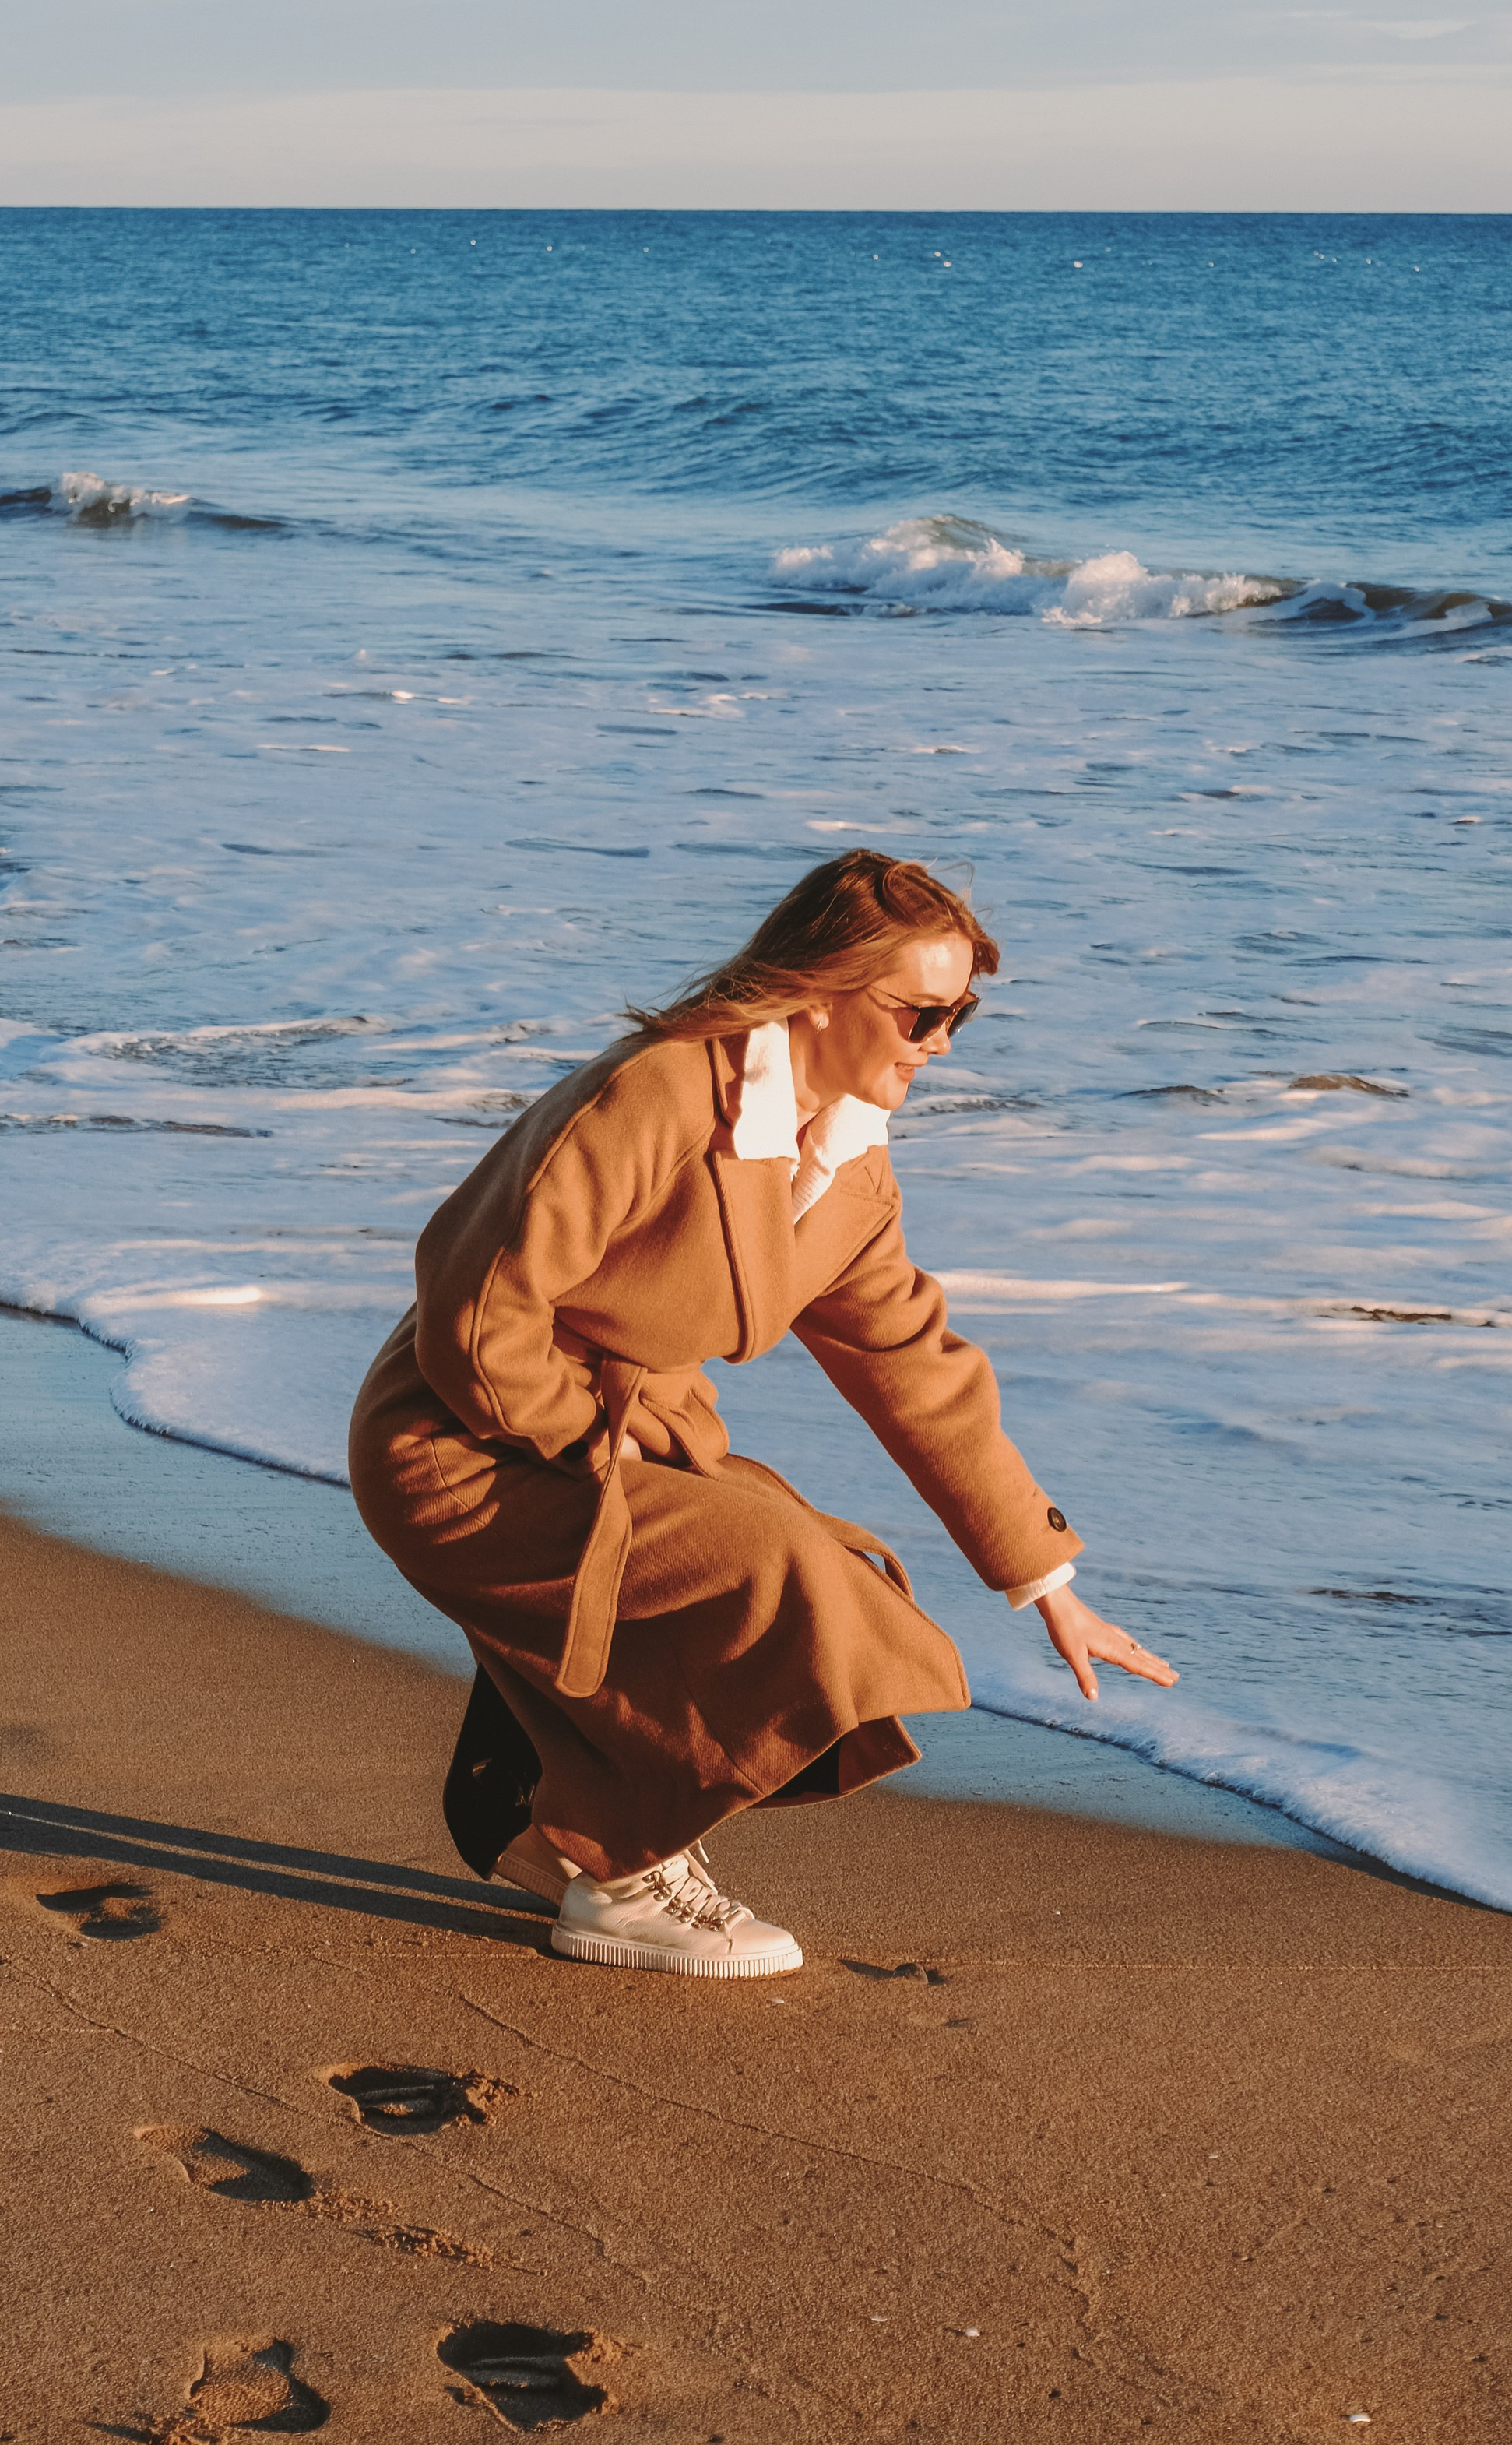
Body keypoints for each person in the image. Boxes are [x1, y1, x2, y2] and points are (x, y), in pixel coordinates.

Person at [348, 850, 1176, 1983]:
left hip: (627, 1433)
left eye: (960, 1016)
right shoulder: (659, 1089)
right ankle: (616, 1872)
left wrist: (1044, 1580)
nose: (938, 1044)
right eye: (920, 1014)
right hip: (466, 1438)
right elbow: (475, 1302)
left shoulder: (848, 1163)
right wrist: (581, 1439)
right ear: (819, 989)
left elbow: (908, 1360)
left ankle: (555, 1819)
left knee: (844, 1570)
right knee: (777, 1569)